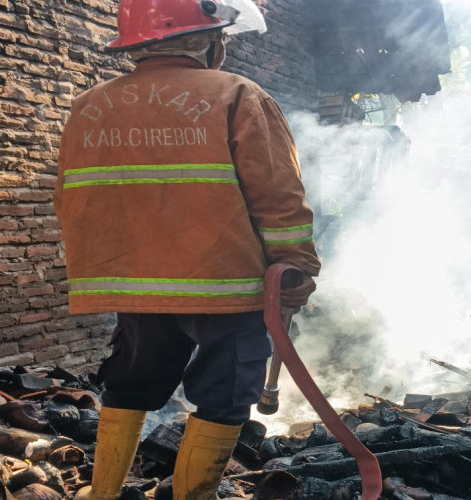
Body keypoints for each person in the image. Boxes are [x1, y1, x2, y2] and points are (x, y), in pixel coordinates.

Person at [53, 0, 321, 498]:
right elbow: (278, 195)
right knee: (224, 397)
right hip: (224, 286)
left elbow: (70, 197)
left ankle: (103, 493)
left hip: (135, 286)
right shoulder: (238, 94)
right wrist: (296, 264)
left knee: (130, 386)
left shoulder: (89, 105)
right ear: (208, 42)